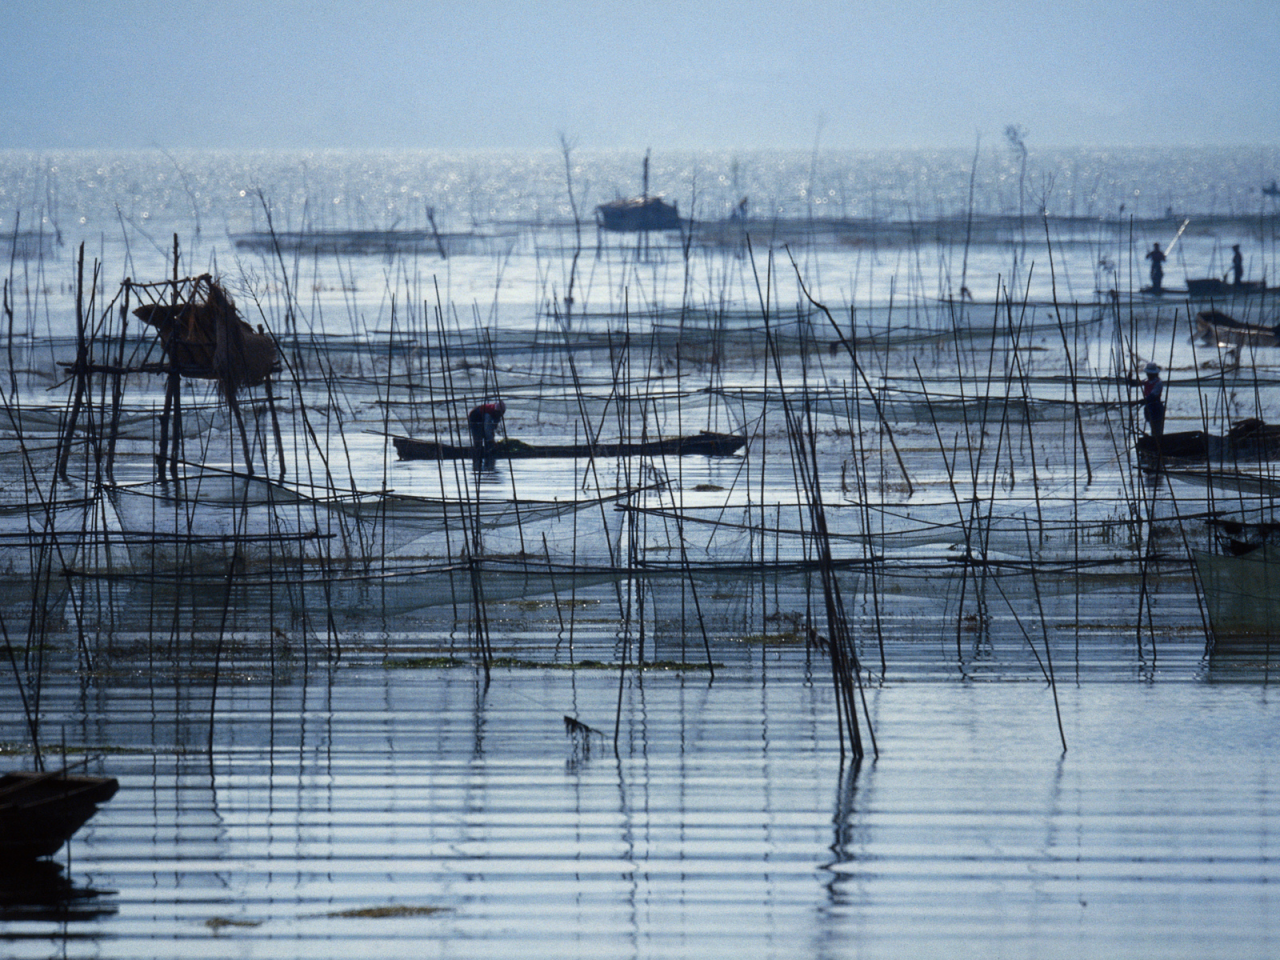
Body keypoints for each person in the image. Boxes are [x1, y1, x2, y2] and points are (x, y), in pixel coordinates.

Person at [1139, 361, 1165, 440]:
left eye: (1150, 374)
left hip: (1156, 408)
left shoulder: (1158, 383)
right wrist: (1130, 380)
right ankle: (1155, 440)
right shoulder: (1146, 381)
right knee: (1152, 426)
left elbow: (1152, 396)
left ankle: (1157, 442)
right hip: (1149, 408)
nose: (1148, 375)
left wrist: (1142, 401)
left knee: (1157, 429)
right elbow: (1137, 383)